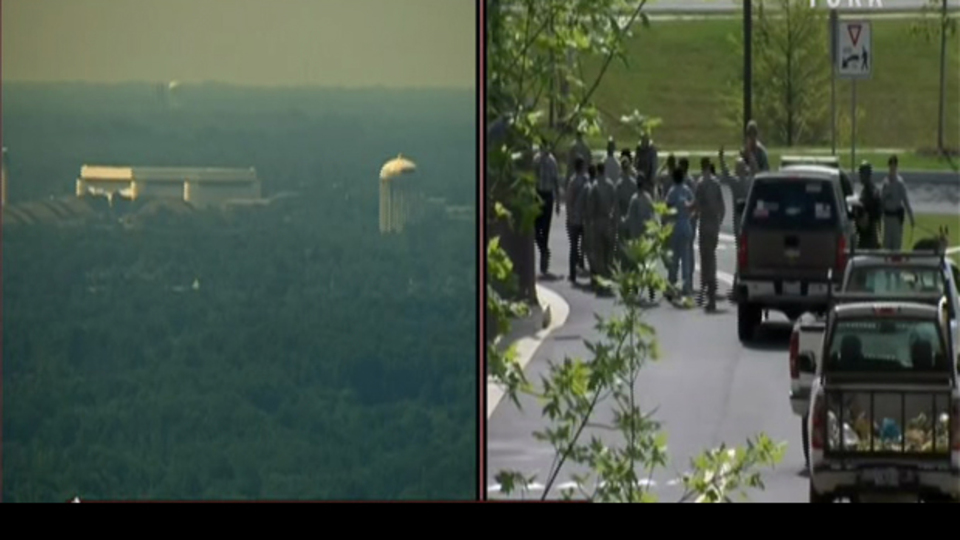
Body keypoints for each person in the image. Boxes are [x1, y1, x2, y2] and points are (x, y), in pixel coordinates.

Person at [693, 157, 726, 312]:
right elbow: (722, 207)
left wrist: (689, 210)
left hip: (705, 223)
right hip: (714, 224)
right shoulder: (716, 183)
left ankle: (708, 293)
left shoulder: (701, 183)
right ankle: (709, 293)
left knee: (706, 259)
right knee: (711, 256)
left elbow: (697, 205)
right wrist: (719, 222)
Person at [622, 175, 658, 302]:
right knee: (647, 264)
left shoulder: (634, 199)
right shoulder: (648, 198)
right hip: (647, 236)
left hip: (636, 236)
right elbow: (652, 215)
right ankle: (651, 289)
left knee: (635, 265)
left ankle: (635, 290)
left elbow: (630, 219)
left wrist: (622, 223)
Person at [665, 167, 696, 300]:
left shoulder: (672, 191)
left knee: (674, 258)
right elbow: (693, 204)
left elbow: (667, 208)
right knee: (686, 257)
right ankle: (686, 285)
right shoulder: (687, 190)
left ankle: (672, 284)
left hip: (675, 226)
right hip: (686, 225)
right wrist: (690, 215)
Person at [533, 139, 562, 274]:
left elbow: (556, 182)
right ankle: (544, 250)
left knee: (545, 229)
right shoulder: (536, 160)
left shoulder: (552, 161)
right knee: (535, 229)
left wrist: (557, 202)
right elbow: (532, 178)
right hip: (538, 195)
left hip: (547, 196)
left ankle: (544, 259)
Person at [590, 161, 618, 287]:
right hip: (608, 220)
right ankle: (608, 274)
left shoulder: (594, 186)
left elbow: (591, 205)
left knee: (598, 251)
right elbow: (614, 203)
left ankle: (600, 277)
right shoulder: (611, 185)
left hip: (597, 220)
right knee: (609, 250)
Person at [718, 146, 754, 241]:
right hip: (748, 218)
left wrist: (721, 159)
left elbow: (725, 172)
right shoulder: (750, 181)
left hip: (738, 218)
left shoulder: (735, 182)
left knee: (739, 244)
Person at [880, 154, 915, 250]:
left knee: (896, 245)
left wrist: (911, 217)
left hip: (896, 219)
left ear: (896, 167)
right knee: (886, 245)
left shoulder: (900, 183)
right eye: (890, 166)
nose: (892, 169)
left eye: (894, 166)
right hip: (887, 219)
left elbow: (905, 200)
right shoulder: (885, 183)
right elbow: (881, 201)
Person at [566, 157, 589, 283]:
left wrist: (569, 216)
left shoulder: (573, 181)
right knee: (583, 245)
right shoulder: (586, 180)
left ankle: (572, 273)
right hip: (584, 217)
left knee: (573, 246)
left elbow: (569, 200)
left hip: (575, 217)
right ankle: (582, 264)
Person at [615, 160, 638, 267]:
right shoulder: (633, 183)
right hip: (631, 216)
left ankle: (623, 263)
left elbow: (616, 203)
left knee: (621, 241)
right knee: (630, 241)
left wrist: (617, 217)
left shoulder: (619, 184)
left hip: (622, 214)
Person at [856, 161, 882, 250]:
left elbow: (867, 211)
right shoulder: (872, 190)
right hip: (869, 232)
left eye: (861, 174)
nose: (860, 177)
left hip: (868, 233)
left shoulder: (869, 192)